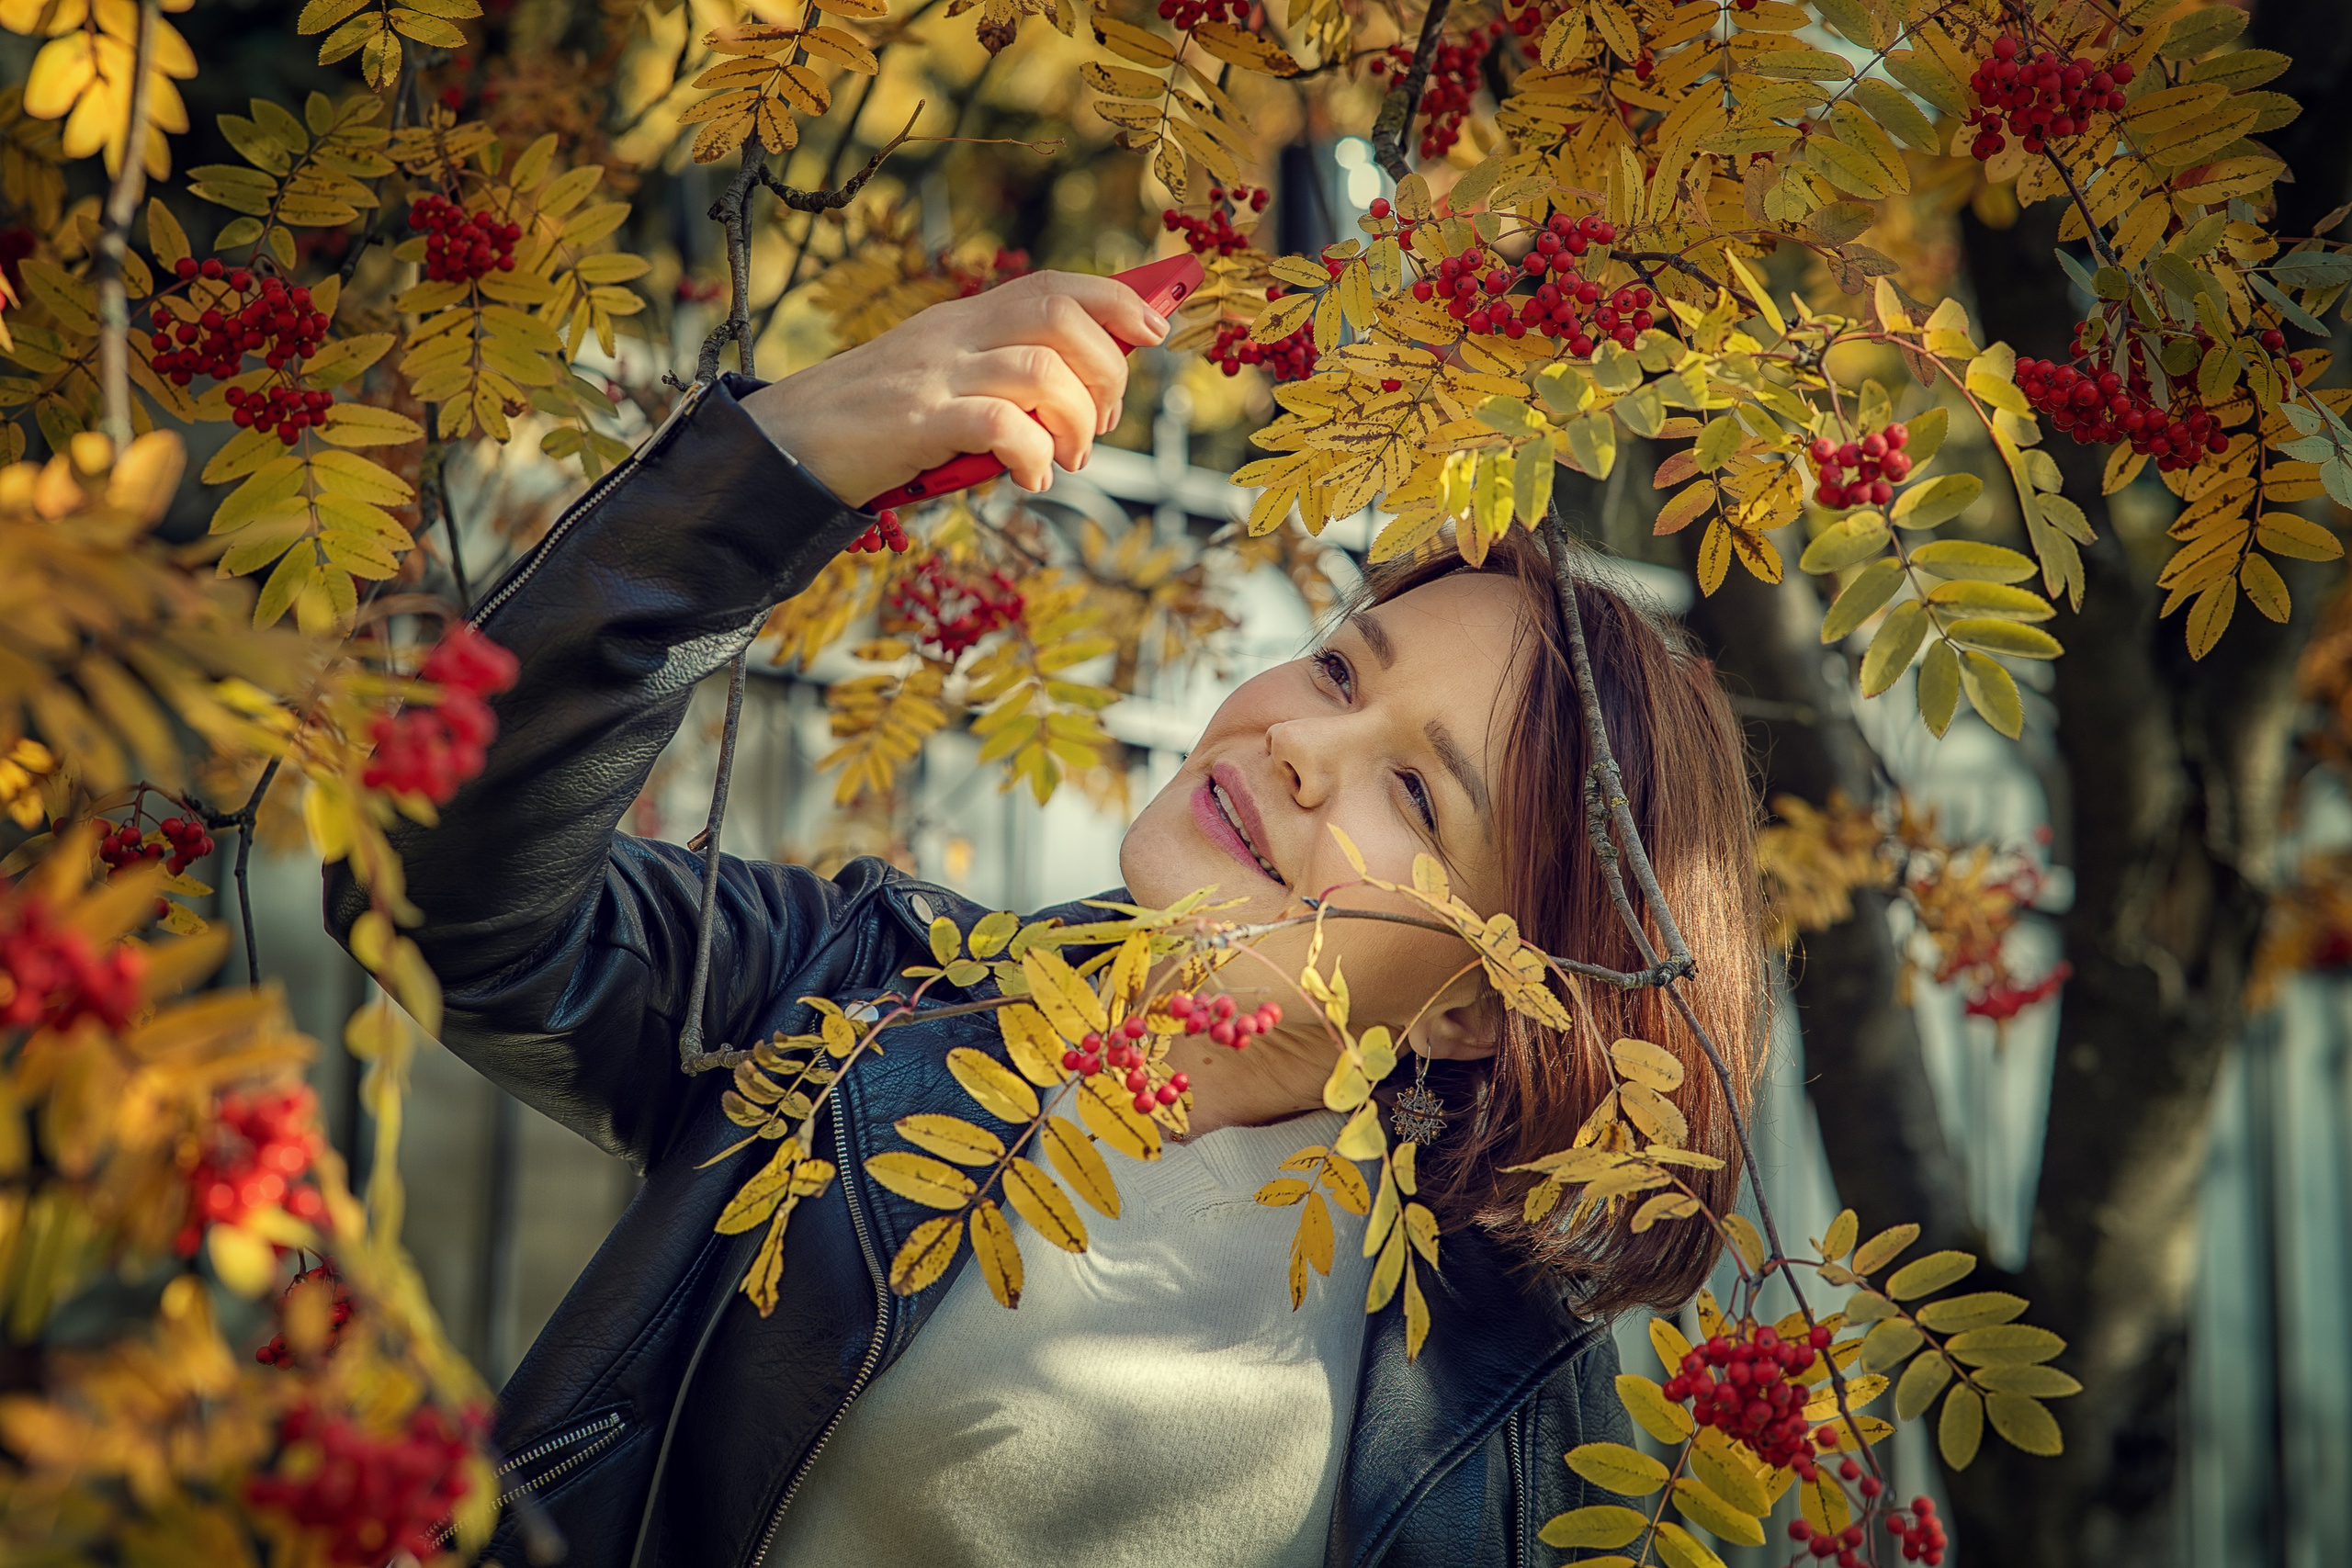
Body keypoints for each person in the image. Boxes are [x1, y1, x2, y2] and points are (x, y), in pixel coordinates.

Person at [326, 271, 1764, 1567]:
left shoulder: (1506, 1418)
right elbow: (433, 885)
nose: (1300, 744)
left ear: (1475, 1005)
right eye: (1339, 672)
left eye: (1415, 791)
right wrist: (776, 465)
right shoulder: (860, 1000)